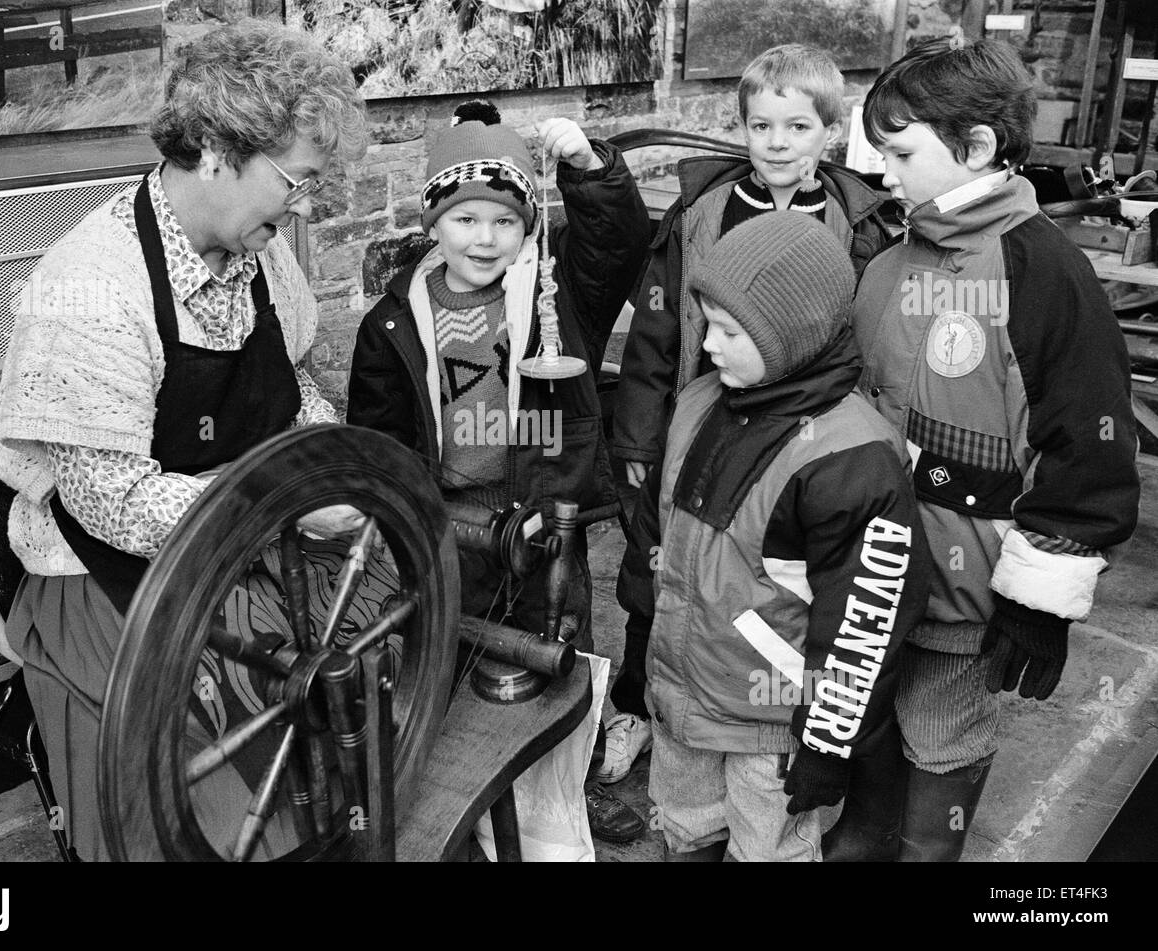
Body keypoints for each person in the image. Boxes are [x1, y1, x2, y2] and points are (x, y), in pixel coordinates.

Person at [0, 20, 379, 860]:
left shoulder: (262, 253)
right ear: (211, 149)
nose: (304, 204)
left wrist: (326, 462)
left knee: (359, 677)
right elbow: (109, 502)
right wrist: (283, 503)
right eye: (295, 180)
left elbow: (293, 387)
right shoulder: (92, 283)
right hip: (104, 572)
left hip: (225, 534)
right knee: (204, 820)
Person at [833, 37, 1141, 861]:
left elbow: (1089, 448)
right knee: (863, 720)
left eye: (899, 152)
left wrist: (1039, 599)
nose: (884, 173)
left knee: (941, 733)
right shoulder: (888, 262)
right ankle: (864, 836)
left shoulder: (1044, 273)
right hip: (873, 571)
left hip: (966, 593)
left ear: (973, 147)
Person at [346, 100, 651, 843]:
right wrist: (401, 517)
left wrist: (590, 167)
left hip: (543, 510)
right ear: (433, 224)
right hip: (449, 514)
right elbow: (379, 435)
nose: (486, 238)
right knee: (448, 657)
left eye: (505, 221)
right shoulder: (392, 323)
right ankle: (465, 803)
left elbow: (618, 242)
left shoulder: (555, 295)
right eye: (465, 219)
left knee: (557, 650)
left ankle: (568, 787)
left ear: (527, 226)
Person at [599, 43, 890, 787]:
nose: (777, 144)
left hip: (791, 440)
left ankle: (764, 727)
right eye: (761, 127)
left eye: (797, 127)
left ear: (830, 131)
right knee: (657, 569)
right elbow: (657, 337)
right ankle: (639, 701)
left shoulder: (858, 225)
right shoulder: (703, 214)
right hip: (697, 426)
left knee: (759, 584)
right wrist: (638, 442)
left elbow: (859, 342)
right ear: (744, 129)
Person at [646, 210, 928, 861]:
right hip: (684, 698)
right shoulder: (700, 401)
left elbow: (867, 622)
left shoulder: (851, 456)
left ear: (789, 333)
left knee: (767, 850)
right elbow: (656, 526)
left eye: (728, 331)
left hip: (776, 728)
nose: (708, 345)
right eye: (706, 325)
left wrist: (828, 744)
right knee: (684, 830)